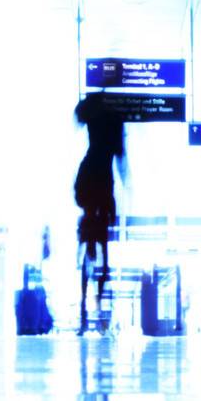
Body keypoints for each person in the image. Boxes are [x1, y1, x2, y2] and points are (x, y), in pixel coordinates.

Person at [74, 92, 126, 330]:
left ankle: (85, 304)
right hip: (103, 182)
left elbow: (78, 117)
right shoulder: (115, 120)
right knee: (103, 245)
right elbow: (120, 156)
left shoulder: (93, 115)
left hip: (89, 178)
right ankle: (98, 295)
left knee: (90, 241)